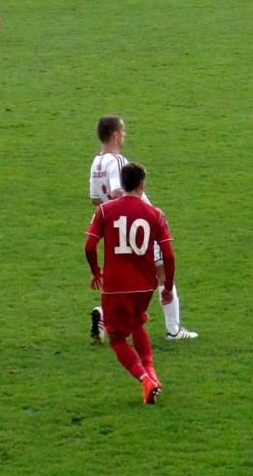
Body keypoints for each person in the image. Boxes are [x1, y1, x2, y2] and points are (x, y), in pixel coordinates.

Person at [88, 115, 198, 342]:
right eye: (123, 132)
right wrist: (139, 213)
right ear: (115, 135)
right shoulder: (117, 161)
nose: (124, 136)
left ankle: (103, 315)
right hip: (140, 227)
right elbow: (119, 192)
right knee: (161, 272)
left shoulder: (96, 163)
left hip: (117, 229)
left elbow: (95, 199)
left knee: (130, 276)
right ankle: (173, 330)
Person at [85, 162, 174, 404]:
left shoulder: (105, 210)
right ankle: (152, 373)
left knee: (116, 338)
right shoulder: (155, 213)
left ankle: (145, 380)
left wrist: (96, 272)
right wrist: (167, 287)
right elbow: (168, 255)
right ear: (142, 184)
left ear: (122, 184)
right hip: (145, 285)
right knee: (136, 324)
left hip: (116, 286)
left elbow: (90, 246)